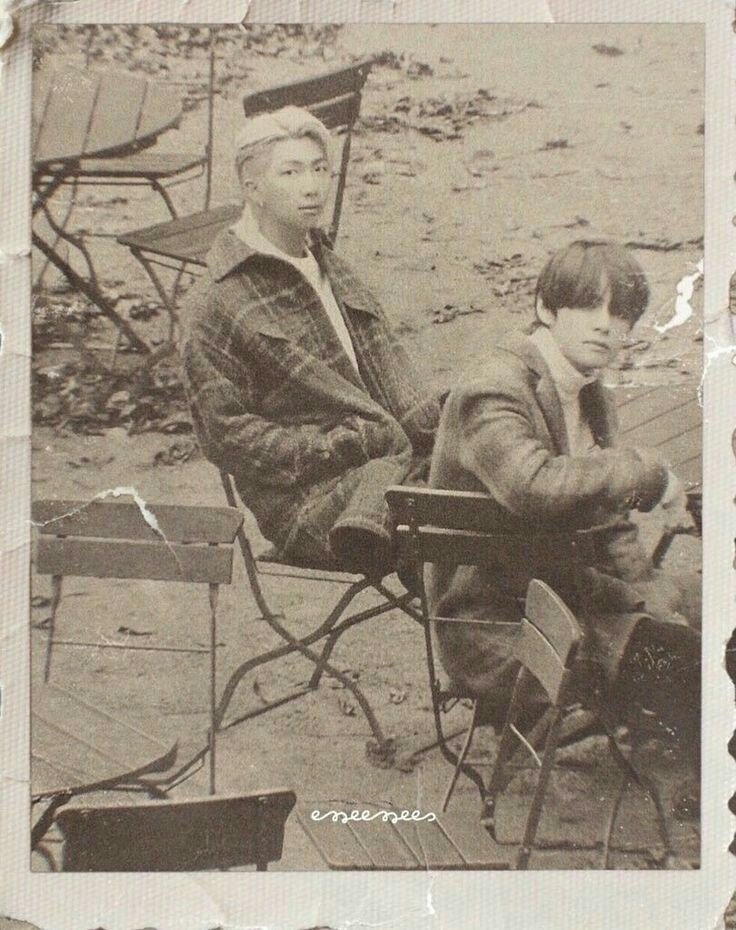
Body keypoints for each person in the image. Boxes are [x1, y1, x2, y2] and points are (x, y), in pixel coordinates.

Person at [428, 240, 701, 752]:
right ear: (545, 309)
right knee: (689, 660)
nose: (605, 325)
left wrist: (645, 584)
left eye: (620, 313)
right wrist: (642, 472)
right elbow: (534, 486)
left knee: (715, 611)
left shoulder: (587, 390)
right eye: (587, 307)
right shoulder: (496, 387)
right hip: (500, 626)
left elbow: (607, 514)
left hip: (570, 595)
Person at [179, 106, 439, 578]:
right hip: (312, 504)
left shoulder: (329, 265)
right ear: (251, 186)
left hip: (390, 467)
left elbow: (389, 375)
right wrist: (348, 443)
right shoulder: (216, 301)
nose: (312, 186)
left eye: (320, 169)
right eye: (291, 171)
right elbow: (226, 437)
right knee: (463, 533)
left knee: (492, 489)